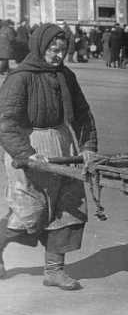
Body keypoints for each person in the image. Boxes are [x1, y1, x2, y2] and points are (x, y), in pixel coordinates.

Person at [0, 23, 98, 289]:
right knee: (30, 212)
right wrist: (27, 154)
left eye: (62, 50)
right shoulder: (20, 78)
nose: (58, 55)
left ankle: (54, 270)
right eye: (53, 50)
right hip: (29, 145)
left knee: (67, 207)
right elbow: (6, 122)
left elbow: (83, 114)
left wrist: (88, 146)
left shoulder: (66, 75)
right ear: (40, 47)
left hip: (63, 145)